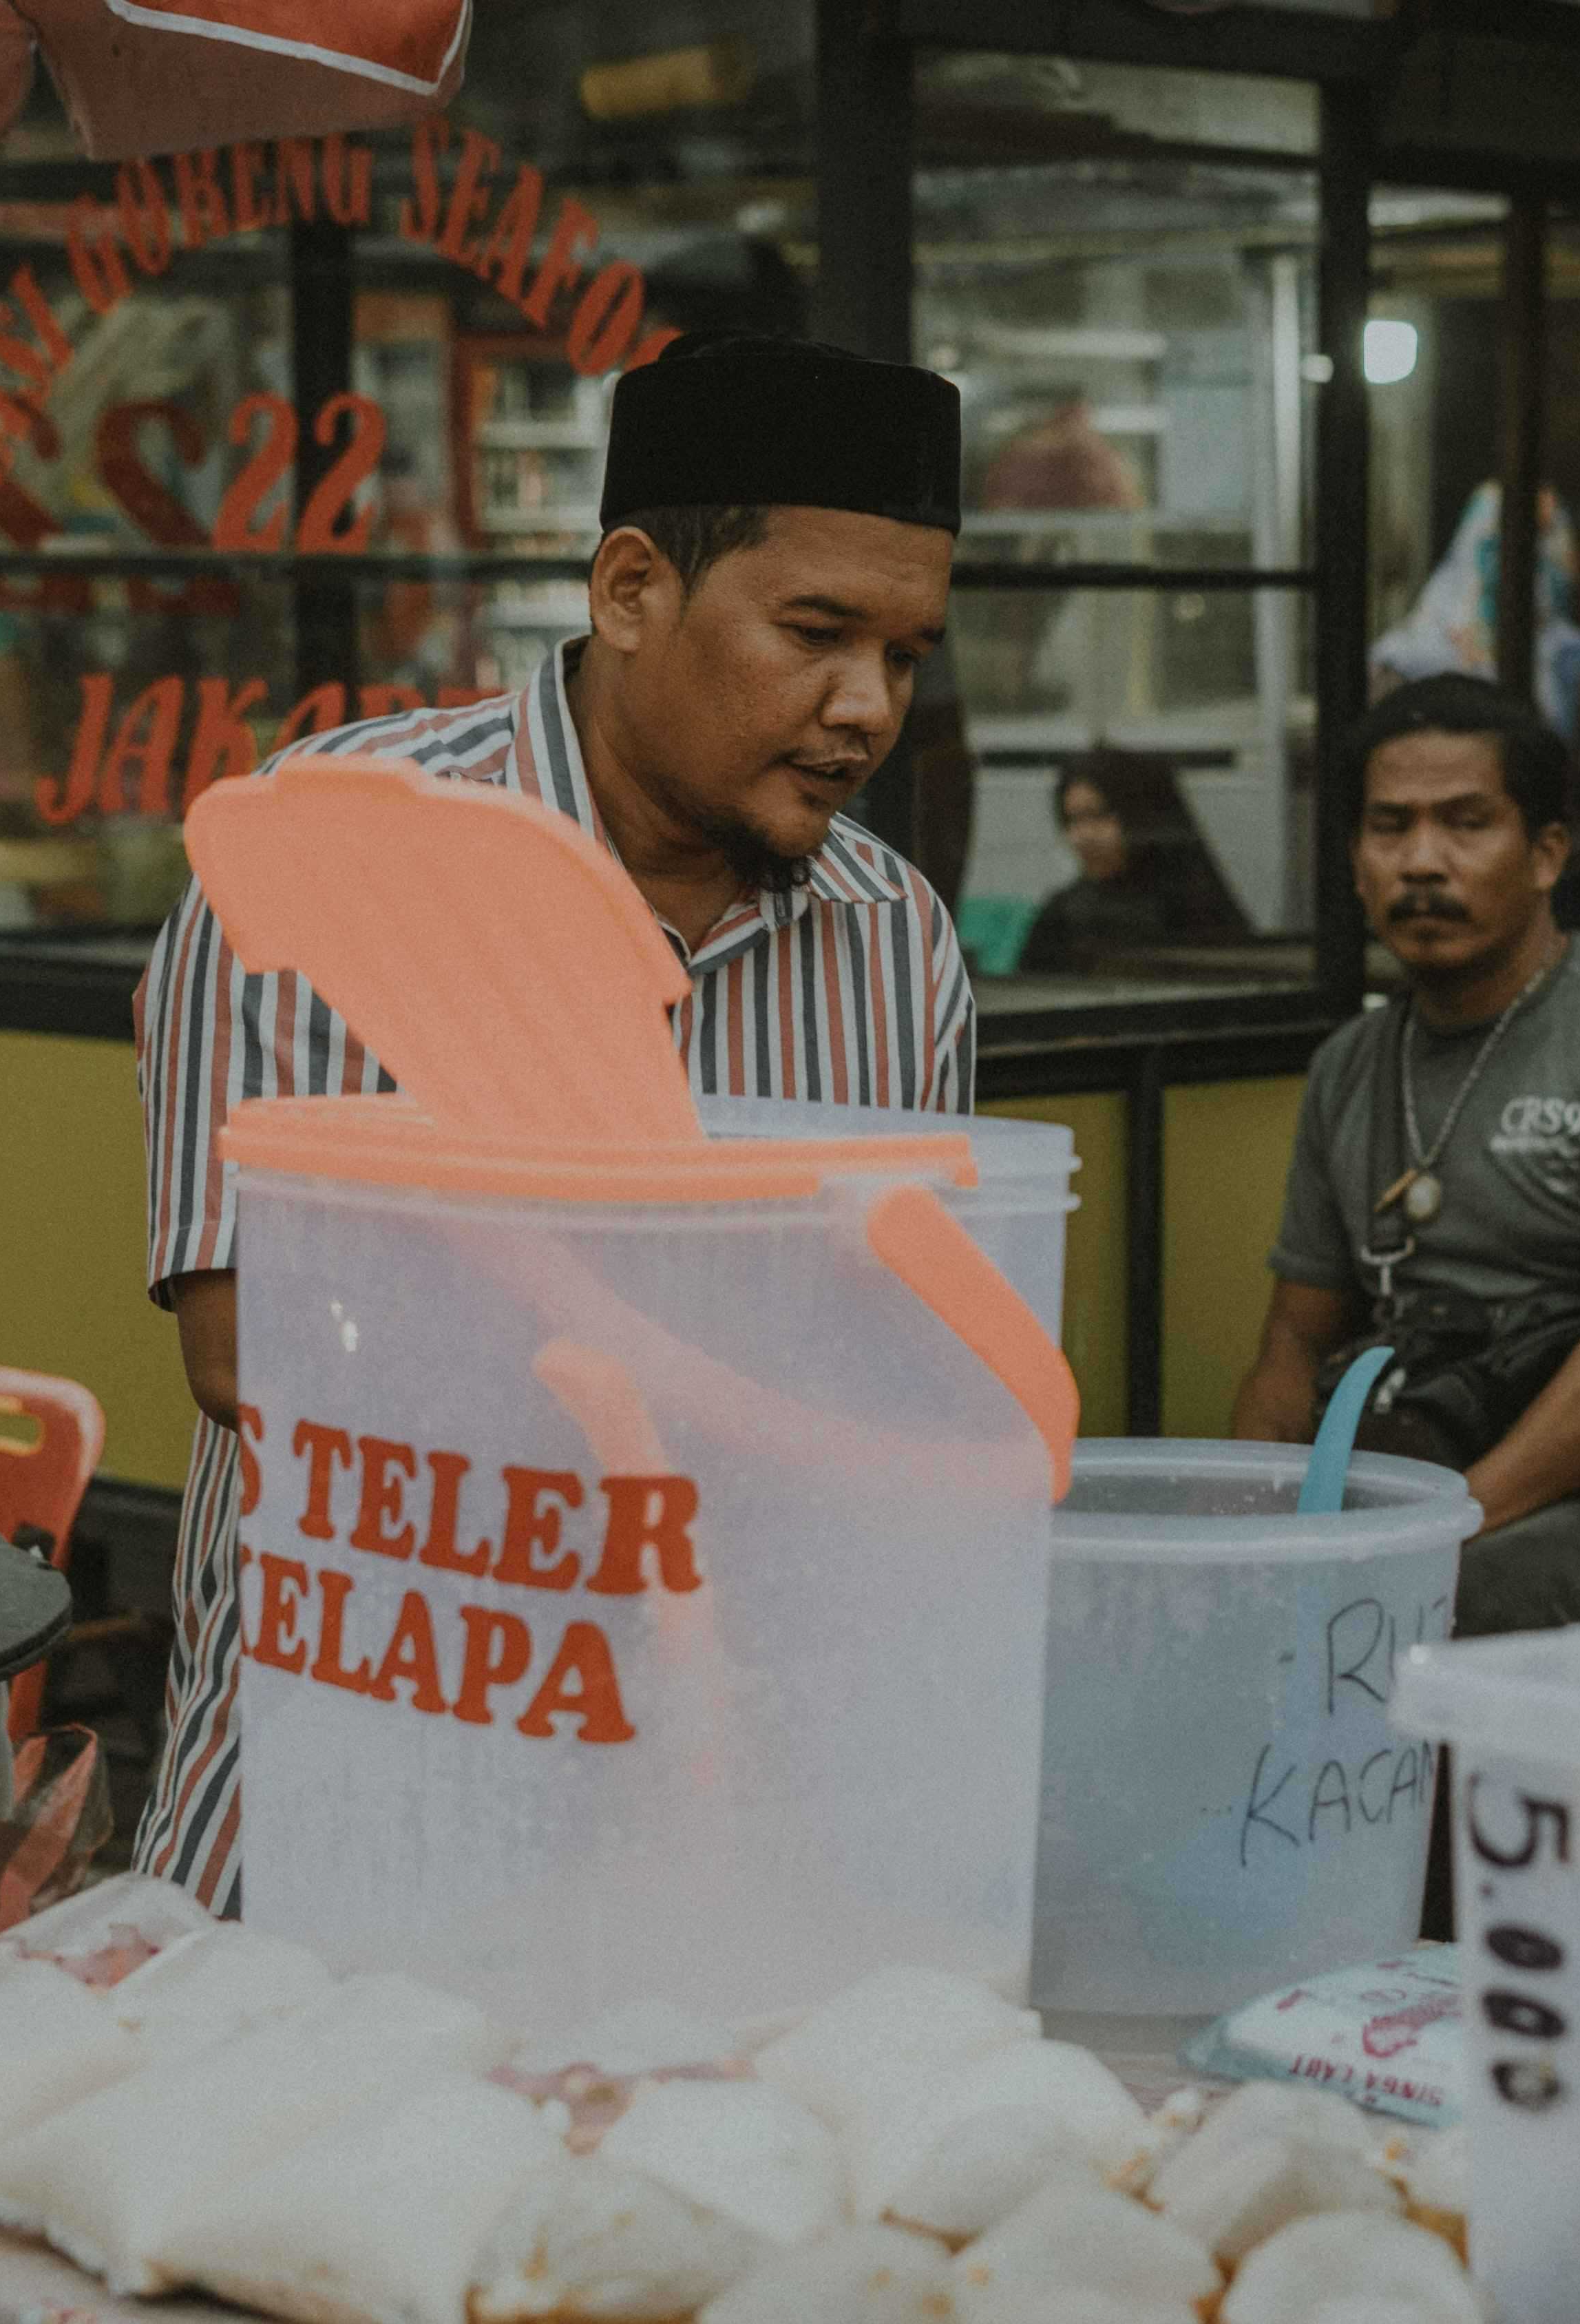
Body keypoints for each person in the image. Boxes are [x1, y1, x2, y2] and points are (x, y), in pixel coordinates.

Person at [134, 334, 978, 1909]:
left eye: (908, 654)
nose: (866, 708)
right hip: (372, 1761)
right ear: (632, 590)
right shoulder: (333, 862)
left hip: (734, 1795)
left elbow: (899, 1361)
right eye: (815, 632)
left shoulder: (895, 937)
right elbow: (257, 1350)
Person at [1233, 676, 1580, 1635]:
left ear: (1548, 851)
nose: (1422, 861)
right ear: (1354, 861)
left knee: (1427, 1609)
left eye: (1466, 823)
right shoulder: (1351, 1065)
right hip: (1418, 1469)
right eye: (1390, 828)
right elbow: (1292, 1348)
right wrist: (1243, 1536)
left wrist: (1443, 1525)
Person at [1373, 484, 1580, 810]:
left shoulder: (1578, 660)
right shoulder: (1404, 661)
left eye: (1541, 545)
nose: (1514, 566)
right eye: (1495, 547)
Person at [1020, 749, 1252, 975]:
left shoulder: (1194, 909)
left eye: (1099, 816)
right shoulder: (1063, 915)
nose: (1083, 836)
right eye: (1073, 820)